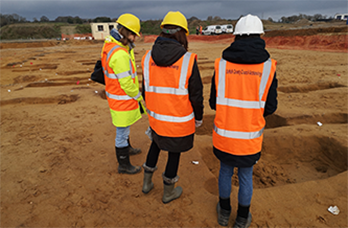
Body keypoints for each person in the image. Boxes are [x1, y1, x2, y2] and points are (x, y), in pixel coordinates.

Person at [209, 14, 278, 227]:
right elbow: (271, 106)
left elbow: (213, 102)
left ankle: (223, 213)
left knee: (225, 172)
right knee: (246, 176)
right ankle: (241, 218)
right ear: (260, 36)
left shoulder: (221, 65)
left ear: (235, 36)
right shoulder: (268, 67)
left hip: (224, 136)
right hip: (249, 138)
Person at [141, 11, 204, 204]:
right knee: (173, 154)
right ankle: (168, 192)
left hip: (156, 118)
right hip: (178, 122)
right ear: (182, 34)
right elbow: (196, 95)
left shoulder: (147, 57)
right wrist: (199, 117)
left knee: (156, 144)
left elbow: (145, 90)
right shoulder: (187, 60)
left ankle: (146, 183)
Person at [100, 13, 144, 175]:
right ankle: (124, 165)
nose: (134, 39)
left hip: (116, 96)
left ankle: (128, 148)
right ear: (125, 32)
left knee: (125, 128)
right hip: (122, 98)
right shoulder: (119, 54)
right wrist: (138, 96)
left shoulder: (111, 45)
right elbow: (126, 83)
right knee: (122, 132)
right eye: (133, 35)